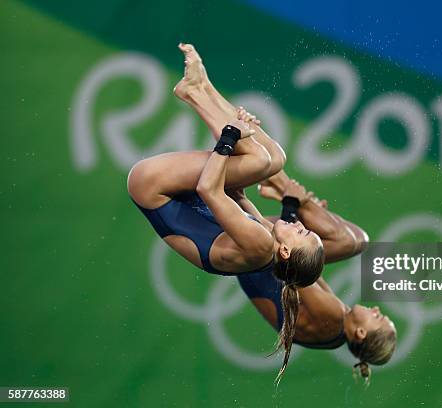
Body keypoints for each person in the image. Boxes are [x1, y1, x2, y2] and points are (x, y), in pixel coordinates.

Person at [127, 44, 324, 383]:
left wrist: (232, 135)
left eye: (303, 234)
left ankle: (196, 93)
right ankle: (201, 89)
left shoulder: (261, 243)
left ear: (287, 250)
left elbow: (209, 189)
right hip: (184, 198)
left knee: (261, 161)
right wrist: (239, 143)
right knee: (273, 159)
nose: (302, 225)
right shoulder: (266, 244)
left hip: (154, 188)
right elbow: (235, 197)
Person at [235, 173, 397, 385]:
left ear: (360, 332)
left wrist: (291, 206)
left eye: (378, 317)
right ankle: (285, 190)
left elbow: (293, 268)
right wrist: (308, 223)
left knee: (350, 242)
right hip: (266, 267)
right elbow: (302, 269)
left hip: (259, 263)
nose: (376, 309)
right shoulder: (334, 333)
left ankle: (284, 185)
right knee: (356, 240)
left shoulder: (333, 318)